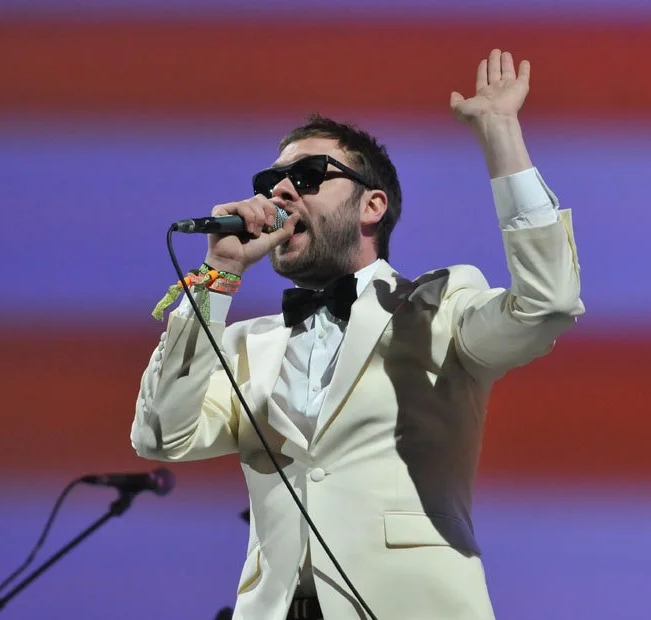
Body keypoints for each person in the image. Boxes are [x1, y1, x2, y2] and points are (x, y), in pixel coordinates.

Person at [132, 49, 584, 620]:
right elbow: (160, 436)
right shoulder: (247, 342)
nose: (281, 194)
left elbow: (548, 305)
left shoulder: (438, 305)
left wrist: (500, 135)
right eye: (272, 182)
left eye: (308, 177)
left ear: (373, 205)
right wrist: (217, 278)